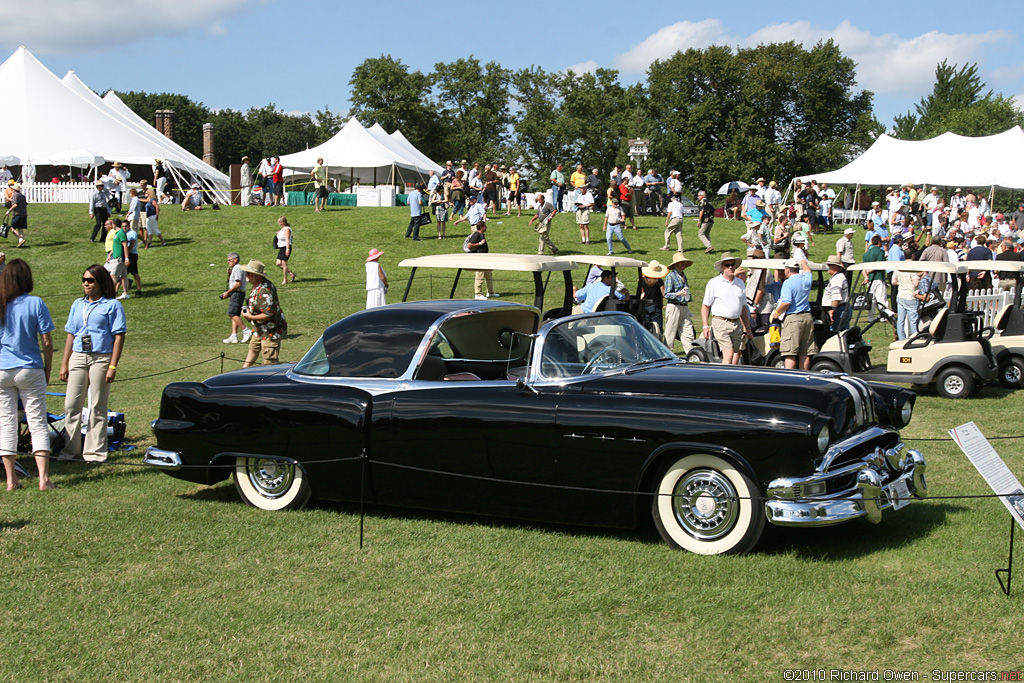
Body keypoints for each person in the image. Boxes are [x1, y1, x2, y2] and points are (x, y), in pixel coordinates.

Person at [57, 265, 126, 463]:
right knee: (71, 405)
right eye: (84, 279)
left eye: (90, 280)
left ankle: (94, 453)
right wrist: (64, 363)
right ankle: (70, 451)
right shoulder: (77, 304)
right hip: (78, 356)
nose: (86, 283)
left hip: (101, 357)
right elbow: (71, 334)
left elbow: (119, 336)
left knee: (97, 405)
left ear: (101, 282)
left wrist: (113, 365)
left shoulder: (112, 306)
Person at [0, 259, 56, 490]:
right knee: (37, 422)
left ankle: (11, 479)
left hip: (2, 369)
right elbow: (46, 340)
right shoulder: (36, 303)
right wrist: (48, 368)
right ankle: (43, 479)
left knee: (6, 423)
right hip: (30, 367)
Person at [701, 252, 752, 364]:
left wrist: (747, 328)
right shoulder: (714, 283)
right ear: (722, 267)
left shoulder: (740, 283)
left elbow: (743, 307)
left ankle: (730, 377)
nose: (730, 267)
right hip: (720, 322)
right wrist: (705, 326)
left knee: (736, 353)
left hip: (736, 323)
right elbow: (705, 306)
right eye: (727, 265)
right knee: (728, 354)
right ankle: (723, 379)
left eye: (732, 264)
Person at [770, 258, 816, 370]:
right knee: (805, 351)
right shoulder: (805, 279)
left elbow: (786, 302)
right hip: (807, 317)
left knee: (790, 351)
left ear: (787, 270)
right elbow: (808, 272)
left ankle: (790, 377)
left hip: (793, 318)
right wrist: (804, 263)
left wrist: (776, 313)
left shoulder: (788, 283)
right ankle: (804, 376)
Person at [239, 260, 286, 367]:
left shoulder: (265, 290)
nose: (246, 275)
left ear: (257, 275)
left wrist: (249, 316)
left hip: (270, 331)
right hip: (259, 329)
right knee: (253, 348)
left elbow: (269, 314)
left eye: (249, 273)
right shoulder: (256, 285)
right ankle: (244, 372)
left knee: (270, 361)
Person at [663, 251, 695, 354]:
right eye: (681, 262)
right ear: (676, 264)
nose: (683, 264)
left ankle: (691, 355)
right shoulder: (670, 276)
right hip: (674, 307)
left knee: (688, 332)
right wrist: (678, 294)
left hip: (684, 306)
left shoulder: (683, 275)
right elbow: (666, 294)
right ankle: (667, 355)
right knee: (670, 333)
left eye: (684, 263)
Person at [220, 252, 251, 344]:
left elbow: (238, 284)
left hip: (237, 293)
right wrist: (230, 274)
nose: (228, 262)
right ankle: (234, 335)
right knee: (235, 314)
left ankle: (246, 330)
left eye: (229, 260)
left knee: (232, 313)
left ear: (235, 260)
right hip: (238, 293)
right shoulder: (237, 268)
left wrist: (227, 293)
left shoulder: (237, 268)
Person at [893, 255, 922, 340]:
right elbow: (916, 283)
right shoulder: (912, 268)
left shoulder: (898, 268)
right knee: (913, 320)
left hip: (900, 295)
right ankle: (915, 338)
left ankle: (901, 338)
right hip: (910, 296)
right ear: (912, 256)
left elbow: (893, 281)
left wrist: (901, 283)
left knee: (900, 321)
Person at [466, 224, 498, 300]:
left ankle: (490, 292)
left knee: (488, 275)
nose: (486, 227)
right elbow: (469, 245)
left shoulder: (481, 235)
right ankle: (478, 294)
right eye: (485, 226)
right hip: (479, 259)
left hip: (485, 259)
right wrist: (480, 243)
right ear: (481, 227)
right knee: (479, 275)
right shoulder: (476, 234)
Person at [104, 218, 131, 300]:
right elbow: (116, 245)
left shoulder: (121, 233)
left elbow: (125, 246)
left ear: (114, 224)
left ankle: (110, 294)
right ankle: (126, 293)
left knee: (113, 276)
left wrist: (126, 258)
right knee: (124, 276)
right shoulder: (117, 233)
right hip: (117, 257)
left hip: (119, 258)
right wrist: (110, 254)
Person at [639, 261, 667, 333]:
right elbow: (663, 293)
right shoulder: (659, 281)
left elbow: (643, 292)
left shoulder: (643, 280)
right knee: (658, 328)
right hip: (656, 305)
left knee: (646, 327)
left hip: (646, 305)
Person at [824, 255, 850, 332]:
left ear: (836, 266)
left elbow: (836, 297)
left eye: (830, 265)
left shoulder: (837, 279)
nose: (828, 267)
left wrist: (831, 311)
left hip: (838, 310)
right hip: (843, 309)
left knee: (834, 334)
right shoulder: (839, 277)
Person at [4, 183, 28, 248]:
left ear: (14, 189)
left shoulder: (15, 195)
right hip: (24, 214)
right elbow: (26, 204)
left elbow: (15, 205)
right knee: (21, 229)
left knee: (12, 228)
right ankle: (22, 244)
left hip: (17, 214)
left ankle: (20, 239)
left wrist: (9, 211)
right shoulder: (23, 196)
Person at [274, 216, 296, 284]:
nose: (278, 223)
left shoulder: (287, 229)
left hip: (285, 247)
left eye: (279, 222)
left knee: (284, 263)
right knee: (278, 263)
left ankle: (285, 279)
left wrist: (287, 249)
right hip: (281, 248)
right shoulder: (282, 229)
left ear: (283, 222)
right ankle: (291, 273)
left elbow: (287, 239)